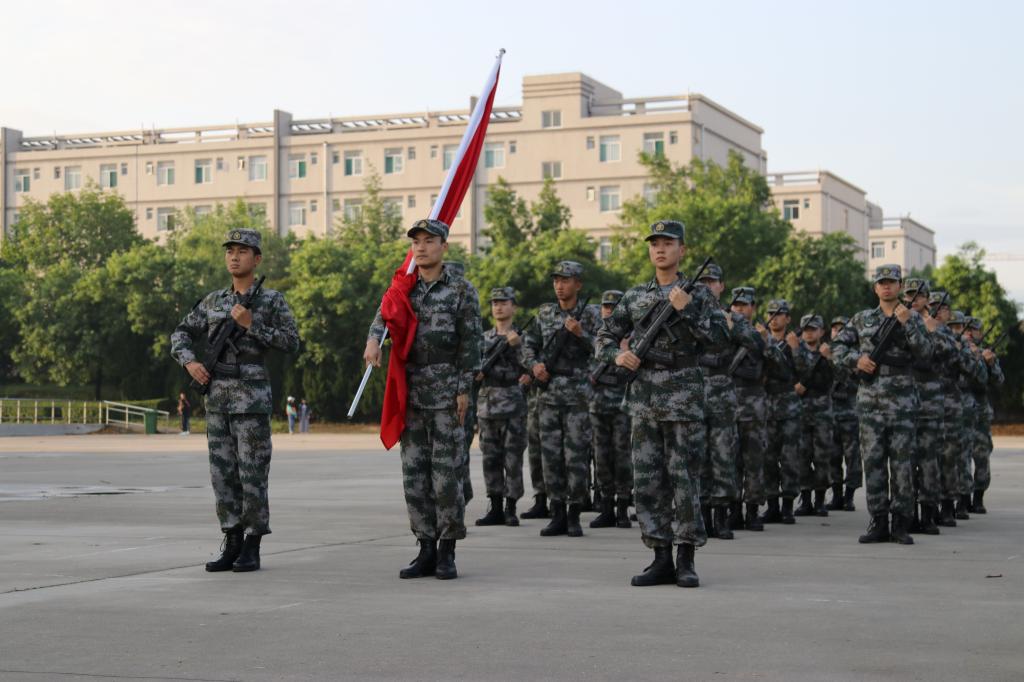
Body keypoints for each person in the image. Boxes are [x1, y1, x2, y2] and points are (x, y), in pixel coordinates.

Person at [596, 220, 727, 588]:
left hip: (683, 400)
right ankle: (659, 556)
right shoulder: (635, 296)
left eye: (668, 243)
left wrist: (688, 311)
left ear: (681, 250)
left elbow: (720, 340)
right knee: (647, 481)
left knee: (684, 479)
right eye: (655, 243)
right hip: (643, 401)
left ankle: (686, 557)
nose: (660, 249)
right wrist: (616, 355)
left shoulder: (699, 295)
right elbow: (604, 334)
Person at [170, 228, 299, 573]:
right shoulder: (213, 301)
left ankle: (252, 545)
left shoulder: (271, 300)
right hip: (217, 400)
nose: (234, 257)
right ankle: (232, 539)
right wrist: (189, 362)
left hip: (251, 400)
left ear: (257, 259)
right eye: (230, 251)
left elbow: (291, 342)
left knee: (252, 474)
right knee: (222, 474)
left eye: (242, 251)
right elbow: (181, 332)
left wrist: (253, 325)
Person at [364, 219, 481, 580]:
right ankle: (425, 547)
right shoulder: (404, 288)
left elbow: (471, 343)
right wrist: (373, 340)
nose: (421, 247)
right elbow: (382, 319)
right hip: (411, 391)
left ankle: (447, 550)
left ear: (444, 246)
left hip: (447, 391)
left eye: (429, 241)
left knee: (446, 477)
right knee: (414, 476)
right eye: (416, 242)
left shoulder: (461, 290)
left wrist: (464, 389)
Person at [832, 264, 932, 545]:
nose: (886, 286)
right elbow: (837, 347)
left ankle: (901, 523)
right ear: (875, 287)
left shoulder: (913, 317)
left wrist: (908, 323)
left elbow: (926, 353)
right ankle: (878, 521)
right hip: (870, 402)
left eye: (891, 281)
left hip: (903, 403)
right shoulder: (862, 319)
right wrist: (856, 360)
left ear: (900, 286)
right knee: (873, 462)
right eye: (881, 282)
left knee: (902, 464)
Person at [521, 261, 601, 538]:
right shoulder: (545, 313)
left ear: (578, 284)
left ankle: (574, 512)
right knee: (551, 457)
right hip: (548, 394)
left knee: (576, 456)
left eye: (565, 280)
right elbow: (528, 345)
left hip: (578, 395)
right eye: (556, 280)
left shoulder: (591, 314)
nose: (559, 285)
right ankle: (557, 513)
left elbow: (604, 349)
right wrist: (534, 366)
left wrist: (581, 334)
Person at [695, 264, 759, 539]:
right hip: (694, 393)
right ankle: (700, 515)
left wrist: (732, 328)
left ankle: (721, 515)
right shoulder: (686, 314)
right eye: (703, 282)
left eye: (713, 282)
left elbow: (756, 343)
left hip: (722, 393)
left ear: (722, 286)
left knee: (723, 456)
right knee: (697, 457)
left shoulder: (732, 317)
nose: (708, 287)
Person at [474, 287, 529, 527]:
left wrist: (518, 346)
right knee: (490, 459)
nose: (498, 307)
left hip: (513, 404)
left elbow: (533, 366)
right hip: (487, 404)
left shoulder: (522, 338)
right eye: (495, 303)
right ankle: (495, 507)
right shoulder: (483, 338)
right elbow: (472, 365)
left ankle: (511, 508)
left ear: (514, 307)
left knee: (513, 459)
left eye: (504, 302)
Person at [587, 290, 634, 529]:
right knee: (601, 457)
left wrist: (626, 350)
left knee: (622, 456)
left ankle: (623, 507)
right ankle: (606, 507)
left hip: (622, 405)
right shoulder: (595, 336)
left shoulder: (634, 337)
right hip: (597, 405)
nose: (609, 311)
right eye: (606, 306)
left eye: (613, 307)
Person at [760, 300, 808, 525]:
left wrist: (796, 349)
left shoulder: (795, 343)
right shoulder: (760, 341)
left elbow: (804, 371)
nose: (774, 318)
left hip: (789, 406)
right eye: (771, 313)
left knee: (790, 458)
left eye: (779, 314)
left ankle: (788, 506)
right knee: (768, 458)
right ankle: (772, 505)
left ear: (788, 319)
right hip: (767, 404)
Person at [729, 287, 768, 531]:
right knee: (730, 462)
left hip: (753, 406)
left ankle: (752, 510)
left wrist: (765, 343)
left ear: (753, 308)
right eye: (736, 305)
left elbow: (779, 368)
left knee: (754, 461)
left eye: (744, 305)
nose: (739, 309)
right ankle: (733, 510)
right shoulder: (723, 334)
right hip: (728, 405)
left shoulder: (760, 335)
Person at [793, 314, 834, 518]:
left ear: (821, 332)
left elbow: (837, 377)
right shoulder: (795, 351)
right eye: (806, 329)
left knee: (822, 458)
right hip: (800, 411)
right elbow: (792, 373)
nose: (809, 333)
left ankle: (820, 500)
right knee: (802, 456)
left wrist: (829, 359)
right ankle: (805, 499)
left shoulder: (828, 352)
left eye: (813, 329)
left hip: (822, 412)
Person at [970, 319, 1004, 513]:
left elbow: (999, 381)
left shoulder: (987, 353)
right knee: (956, 457)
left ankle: (978, 496)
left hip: (980, 412)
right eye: (966, 329)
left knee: (982, 454)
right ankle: (960, 498)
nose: (970, 333)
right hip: (955, 410)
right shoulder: (954, 350)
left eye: (974, 330)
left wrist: (990, 364)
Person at [828, 316, 861, 511]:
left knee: (852, 457)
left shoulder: (856, 355)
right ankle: (836, 496)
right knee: (832, 456)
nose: (838, 332)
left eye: (842, 328)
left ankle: (849, 496)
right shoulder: (824, 352)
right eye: (835, 329)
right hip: (830, 412)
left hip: (851, 412)